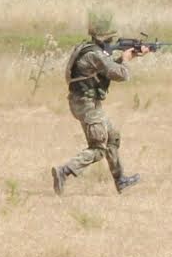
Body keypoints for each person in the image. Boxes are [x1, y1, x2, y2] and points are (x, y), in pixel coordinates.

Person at [52, 12, 149, 196]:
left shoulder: (89, 49)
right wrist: (127, 60)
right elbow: (120, 75)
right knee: (98, 148)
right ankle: (64, 171)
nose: (113, 40)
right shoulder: (95, 54)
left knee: (113, 137)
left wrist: (127, 58)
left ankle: (120, 180)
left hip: (86, 103)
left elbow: (106, 69)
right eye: (111, 38)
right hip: (86, 105)